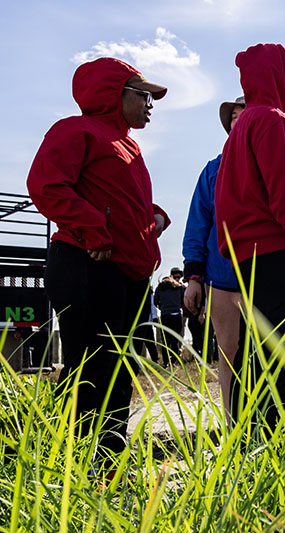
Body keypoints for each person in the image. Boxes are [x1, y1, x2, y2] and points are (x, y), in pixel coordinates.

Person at [26, 57, 169, 468]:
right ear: (113, 93)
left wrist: (152, 216)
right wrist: (94, 228)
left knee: (118, 372)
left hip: (123, 269)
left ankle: (105, 465)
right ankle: (63, 467)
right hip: (88, 263)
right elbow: (46, 184)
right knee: (91, 370)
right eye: (143, 95)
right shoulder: (75, 129)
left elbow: (114, 198)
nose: (150, 104)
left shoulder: (127, 144)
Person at [215, 43, 285, 434]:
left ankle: (254, 449)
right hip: (282, 254)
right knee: (284, 360)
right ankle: (276, 448)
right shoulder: (274, 121)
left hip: (252, 259)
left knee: (260, 356)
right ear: (279, 77)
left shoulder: (245, 123)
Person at [182, 96, 246, 423]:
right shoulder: (213, 170)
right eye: (233, 117)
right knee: (229, 353)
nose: (239, 121)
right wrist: (194, 276)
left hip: (271, 276)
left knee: (272, 354)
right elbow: (198, 222)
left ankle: (272, 430)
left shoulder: (280, 161)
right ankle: (233, 425)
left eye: (245, 114)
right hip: (223, 278)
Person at [155, 268, 185, 367]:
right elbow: (183, 301)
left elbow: (156, 302)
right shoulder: (179, 288)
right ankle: (174, 362)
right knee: (175, 340)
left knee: (165, 341)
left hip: (165, 315)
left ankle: (166, 362)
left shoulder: (160, 287)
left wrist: (162, 307)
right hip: (176, 314)